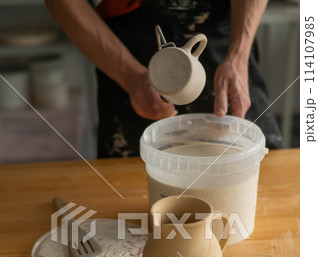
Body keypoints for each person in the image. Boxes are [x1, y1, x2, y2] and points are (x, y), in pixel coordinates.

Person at [45, 0, 283, 157]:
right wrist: (129, 77)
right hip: (126, 49)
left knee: (255, 160)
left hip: (225, 35)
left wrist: (239, 55)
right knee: (129, 187)